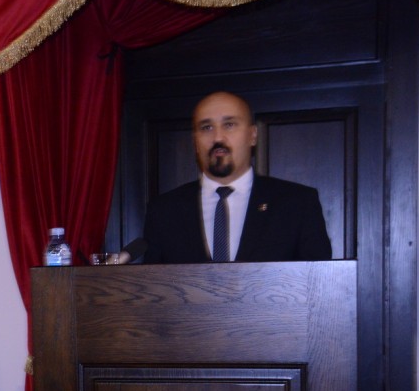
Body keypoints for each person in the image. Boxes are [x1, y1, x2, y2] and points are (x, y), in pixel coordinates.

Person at [142, 90, 332, 264]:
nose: (218, 138)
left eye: (229, 125)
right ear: (195, 142)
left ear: (252, 135)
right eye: (207, 127)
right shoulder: (164, 211)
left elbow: (318, 283)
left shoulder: (297, 203)